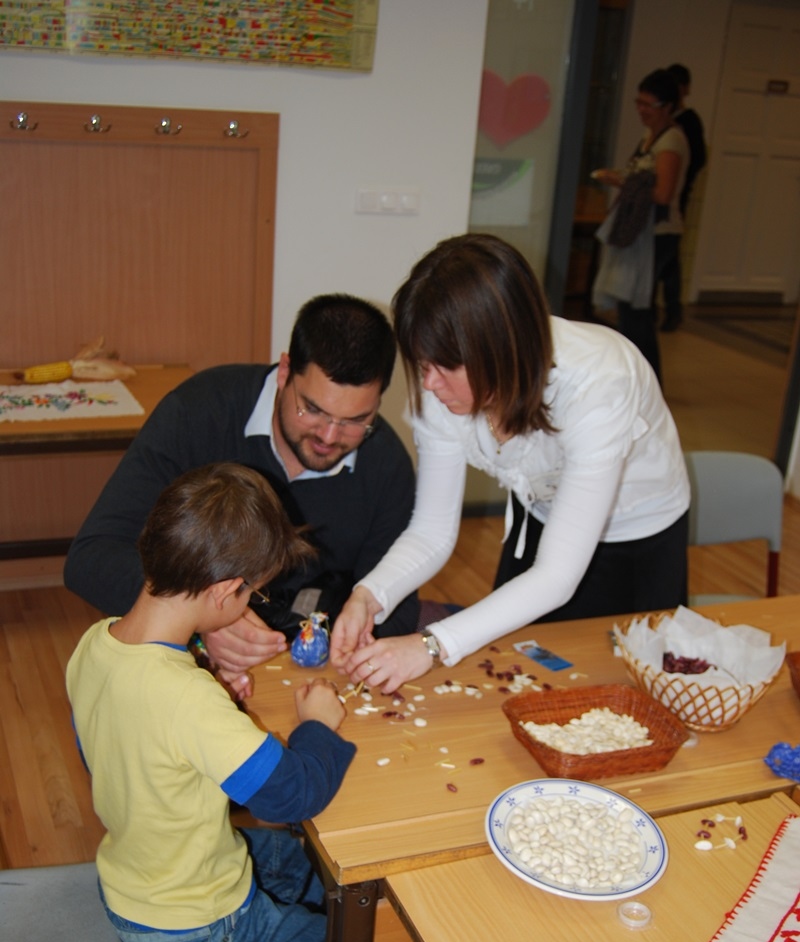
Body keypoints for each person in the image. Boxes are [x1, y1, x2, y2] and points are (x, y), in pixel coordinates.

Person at [65, 461, 373, 942]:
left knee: (299, 865)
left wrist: (209, 711)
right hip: (192, 920)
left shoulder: (98, 642)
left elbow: (112, 748)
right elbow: (293, 795)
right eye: (252, 593)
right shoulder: (187, 700)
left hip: (137, 877)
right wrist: (317, 724)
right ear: (226, 591)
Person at [329, 234, 690, 695]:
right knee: (518, 674)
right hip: (541, 515)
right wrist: (370, 594)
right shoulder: (441, 381)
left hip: (638, 536)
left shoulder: (599, 382)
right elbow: (432, 531)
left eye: (443, 366)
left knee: (623, 689)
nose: (429, 384)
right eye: (421, 364)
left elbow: (557, 576)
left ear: (499, 349)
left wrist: (431, 644)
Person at [63, 294, 420, 699]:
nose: (329, 435)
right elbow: (91, 557)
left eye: (356, 420)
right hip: (188, 658)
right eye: (312, 410)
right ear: (284, 372)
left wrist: (348, 646)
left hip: (312, 670)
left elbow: (398, 606)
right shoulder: (198, 412)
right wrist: (197, 619)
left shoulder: (386, 464)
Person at [592, 69, 689, 381]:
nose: (642, 110)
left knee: (637, 311)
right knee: (630, 310)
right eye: (639, 103)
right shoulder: (649, 137)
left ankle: (647, 382)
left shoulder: (671, 140)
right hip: (640, 235)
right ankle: (638, 379)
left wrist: (619, 180)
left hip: (657, 236)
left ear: (668, 106)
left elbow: (662, 194)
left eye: (650, 105)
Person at [659, 63, 707, 331]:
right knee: (666, 261)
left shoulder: (687, 122)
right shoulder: (661, 126)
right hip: (664, 203)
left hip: (674, 200)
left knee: (669, 260)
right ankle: (661, 309)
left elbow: (698, 159)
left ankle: (673, 309)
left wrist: (678, 180)